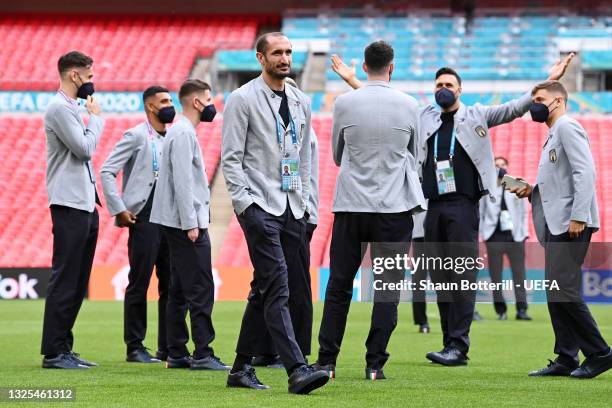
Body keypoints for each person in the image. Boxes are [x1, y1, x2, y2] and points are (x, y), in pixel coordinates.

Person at [330, 52, 574, 366]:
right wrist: (353, 81)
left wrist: (549, 81)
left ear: (459, 90)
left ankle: (459, 344)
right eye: (439, 84)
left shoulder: (477, 115)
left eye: (449, 84)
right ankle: (449, 342)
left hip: (462, 204)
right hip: (430, 205)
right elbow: (383, 103)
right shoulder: (423, 115)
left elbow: (514, 108)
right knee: (440, 275)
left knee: (461, 273)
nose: (443, 88)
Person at [222, 32, 329, 394]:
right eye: (277, 53)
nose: (285, 59)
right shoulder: (242, 99)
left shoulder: (300, 100)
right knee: (279, 283)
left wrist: (308, 207)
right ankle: (297, 369)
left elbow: (303, 158)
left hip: (293, 208)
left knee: (264, 287)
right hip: (260, 207)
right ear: (260, 57)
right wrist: (245, 205)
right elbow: (231, 159)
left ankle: (239, 369)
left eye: (288, 52)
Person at [314, 41, 425, 381]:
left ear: (363, 66)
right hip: (393, 209)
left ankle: (327, 362)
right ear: (392, 67)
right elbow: (415, 154)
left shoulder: (345, 103)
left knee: (339, 286)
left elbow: (336, 154)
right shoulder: (410, 104)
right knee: (387, 289)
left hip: (351, 206)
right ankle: (375, 364)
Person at [510, 80, 612, 379]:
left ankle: (599, 353)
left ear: (558, 101)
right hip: (559, 221)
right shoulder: (554, 133)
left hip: (571, 223)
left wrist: (579, 215)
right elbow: (561, 182)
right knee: (557, 290)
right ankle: (566, 356)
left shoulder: (567, 127)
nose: (534, 105)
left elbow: (585, 171)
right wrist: (530, 190)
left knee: (563, 289)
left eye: (540, 99)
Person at [149, 79, 228, 371]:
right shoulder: (183, 133)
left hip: (179, 220)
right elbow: (182, 181)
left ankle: (177, 352)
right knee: (200, 287)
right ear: (196, 102)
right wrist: (190, 223)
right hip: (186, 222)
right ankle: (203, 352)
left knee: (180, 288)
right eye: (208, 99)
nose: (211, 105)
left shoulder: (180, 131)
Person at [100, 86, 177, 363]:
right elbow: (107, 170)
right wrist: (119, 208)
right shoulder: (135, 135)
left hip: (171, 219)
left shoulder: (176, 136)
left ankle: (168, 347)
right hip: (143, 218)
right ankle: (135, 347)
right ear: (150, 107)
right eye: (164, 101)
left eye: (171, 100)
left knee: (170, 285)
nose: (170, 105)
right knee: (139, 282)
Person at [41, 51, 104, 369]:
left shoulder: (69, 109)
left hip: (82, 203)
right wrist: (97, 118)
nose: (92, 83)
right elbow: (84, 149)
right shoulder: (59, 108)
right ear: (75, 75)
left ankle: (64, 346)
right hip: (69, 204)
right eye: (89, 76)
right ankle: (54, 352)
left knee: (78, 280)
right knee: (66, 276)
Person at [251, 76, 319, 369]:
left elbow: (309, 177)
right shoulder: (280, 131)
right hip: (278, 209)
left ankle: (296, 350)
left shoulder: (306, 133)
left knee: (295, 286)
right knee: (273, 284)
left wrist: (308, 213)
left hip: (298, 211)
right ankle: (271, 350)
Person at [479, 157, 530, 321]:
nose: (500, 168)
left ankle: (521, 310)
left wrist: (523, 233)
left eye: (502, 165)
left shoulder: (516, 184)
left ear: (508, 166)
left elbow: (523, 213)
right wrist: (484, 234)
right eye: (497, 165)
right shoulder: (487, 186)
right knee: (496, 275)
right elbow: (481, 212)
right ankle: (501, 310)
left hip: (514, 236)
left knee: (519, 274)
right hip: (494, 236)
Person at [411, 211, 430, 333]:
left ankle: (450, 320)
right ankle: (422, 321)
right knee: (418, 279)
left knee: (444, 278)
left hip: (440, 233)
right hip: (419, 234)